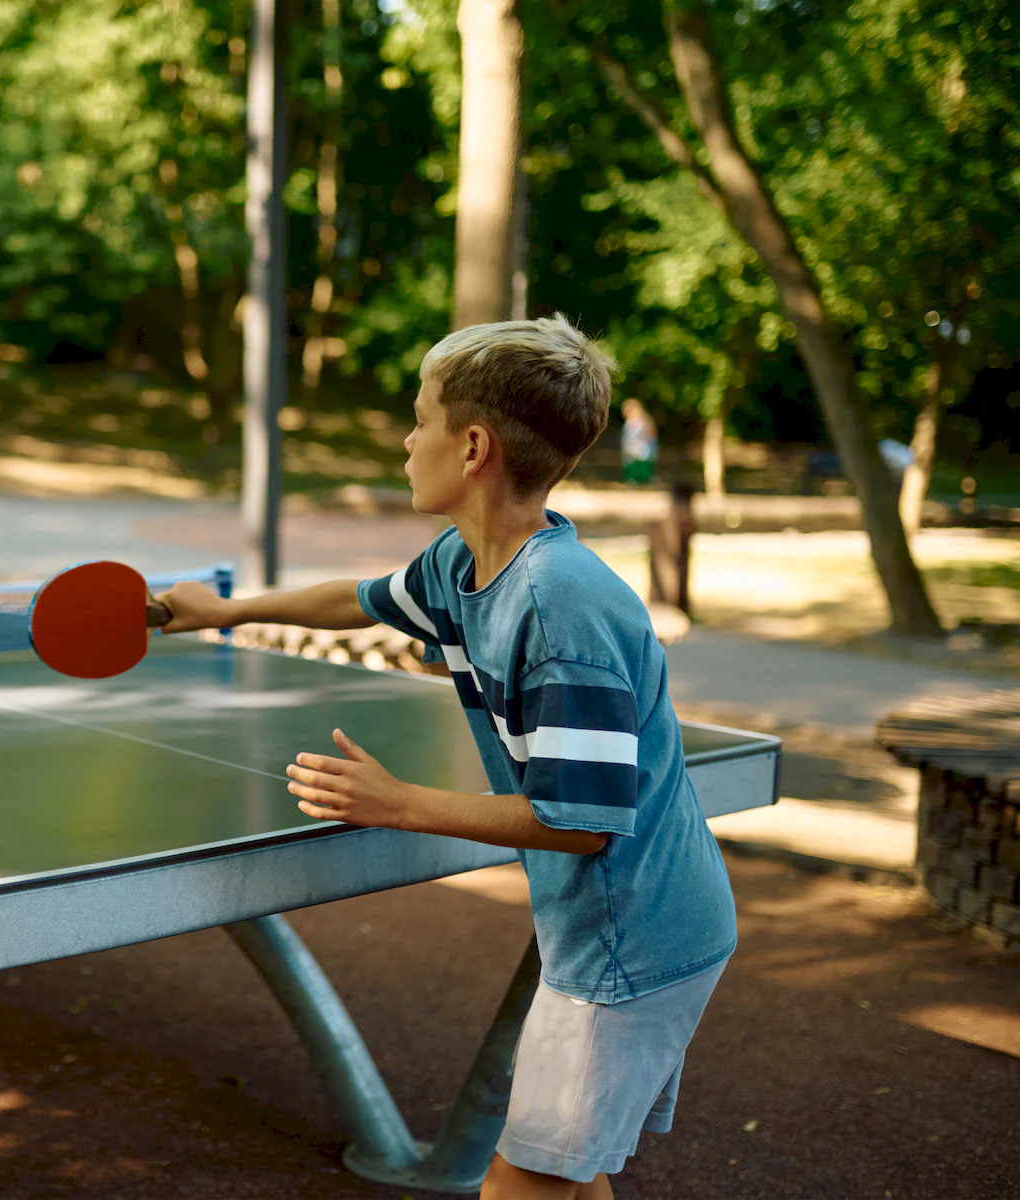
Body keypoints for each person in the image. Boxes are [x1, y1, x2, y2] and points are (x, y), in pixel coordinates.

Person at [156, 316, 736, 1200]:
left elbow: (577, 822)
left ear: (472, 447)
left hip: (631, 937)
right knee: (569, 1178)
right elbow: (357, 600)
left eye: (419, 417)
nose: (405, 438)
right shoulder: (465, 565)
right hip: (615, 927)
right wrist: (227, 612)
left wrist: (397, 802)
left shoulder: (557, 610)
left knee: (520, 1181)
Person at [618, 397, 658, 485]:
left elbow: (650, 436)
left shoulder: (644, 421)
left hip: (640, 448)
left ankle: (644, 480)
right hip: (631, 448)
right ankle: (633, 479)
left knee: (641, 464)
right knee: (631, 464)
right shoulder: (630, 421)